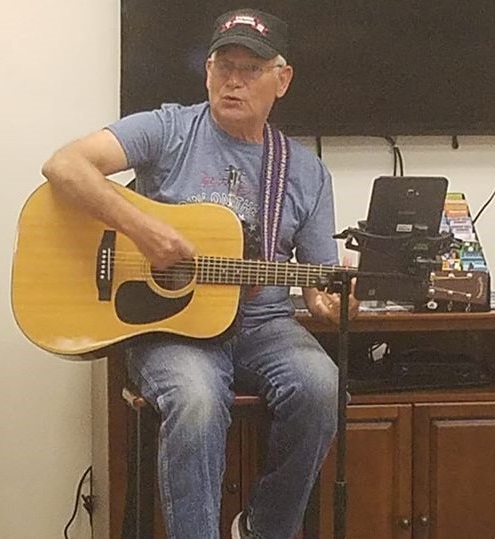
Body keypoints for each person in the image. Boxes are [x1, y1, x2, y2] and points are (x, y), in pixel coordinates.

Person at [42, 7, 357, 539]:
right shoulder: (167, 129)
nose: (233, 80)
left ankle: (262, 528)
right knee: (196, 399)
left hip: (264, 325)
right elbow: (64, 165)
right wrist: (144, 231)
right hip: (171, 329)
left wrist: (334, 300)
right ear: (207, 71)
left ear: (282, 80)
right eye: (222, 65)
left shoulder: (305, 171)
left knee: (322, 386)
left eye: (250, 69)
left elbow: (319, 285)